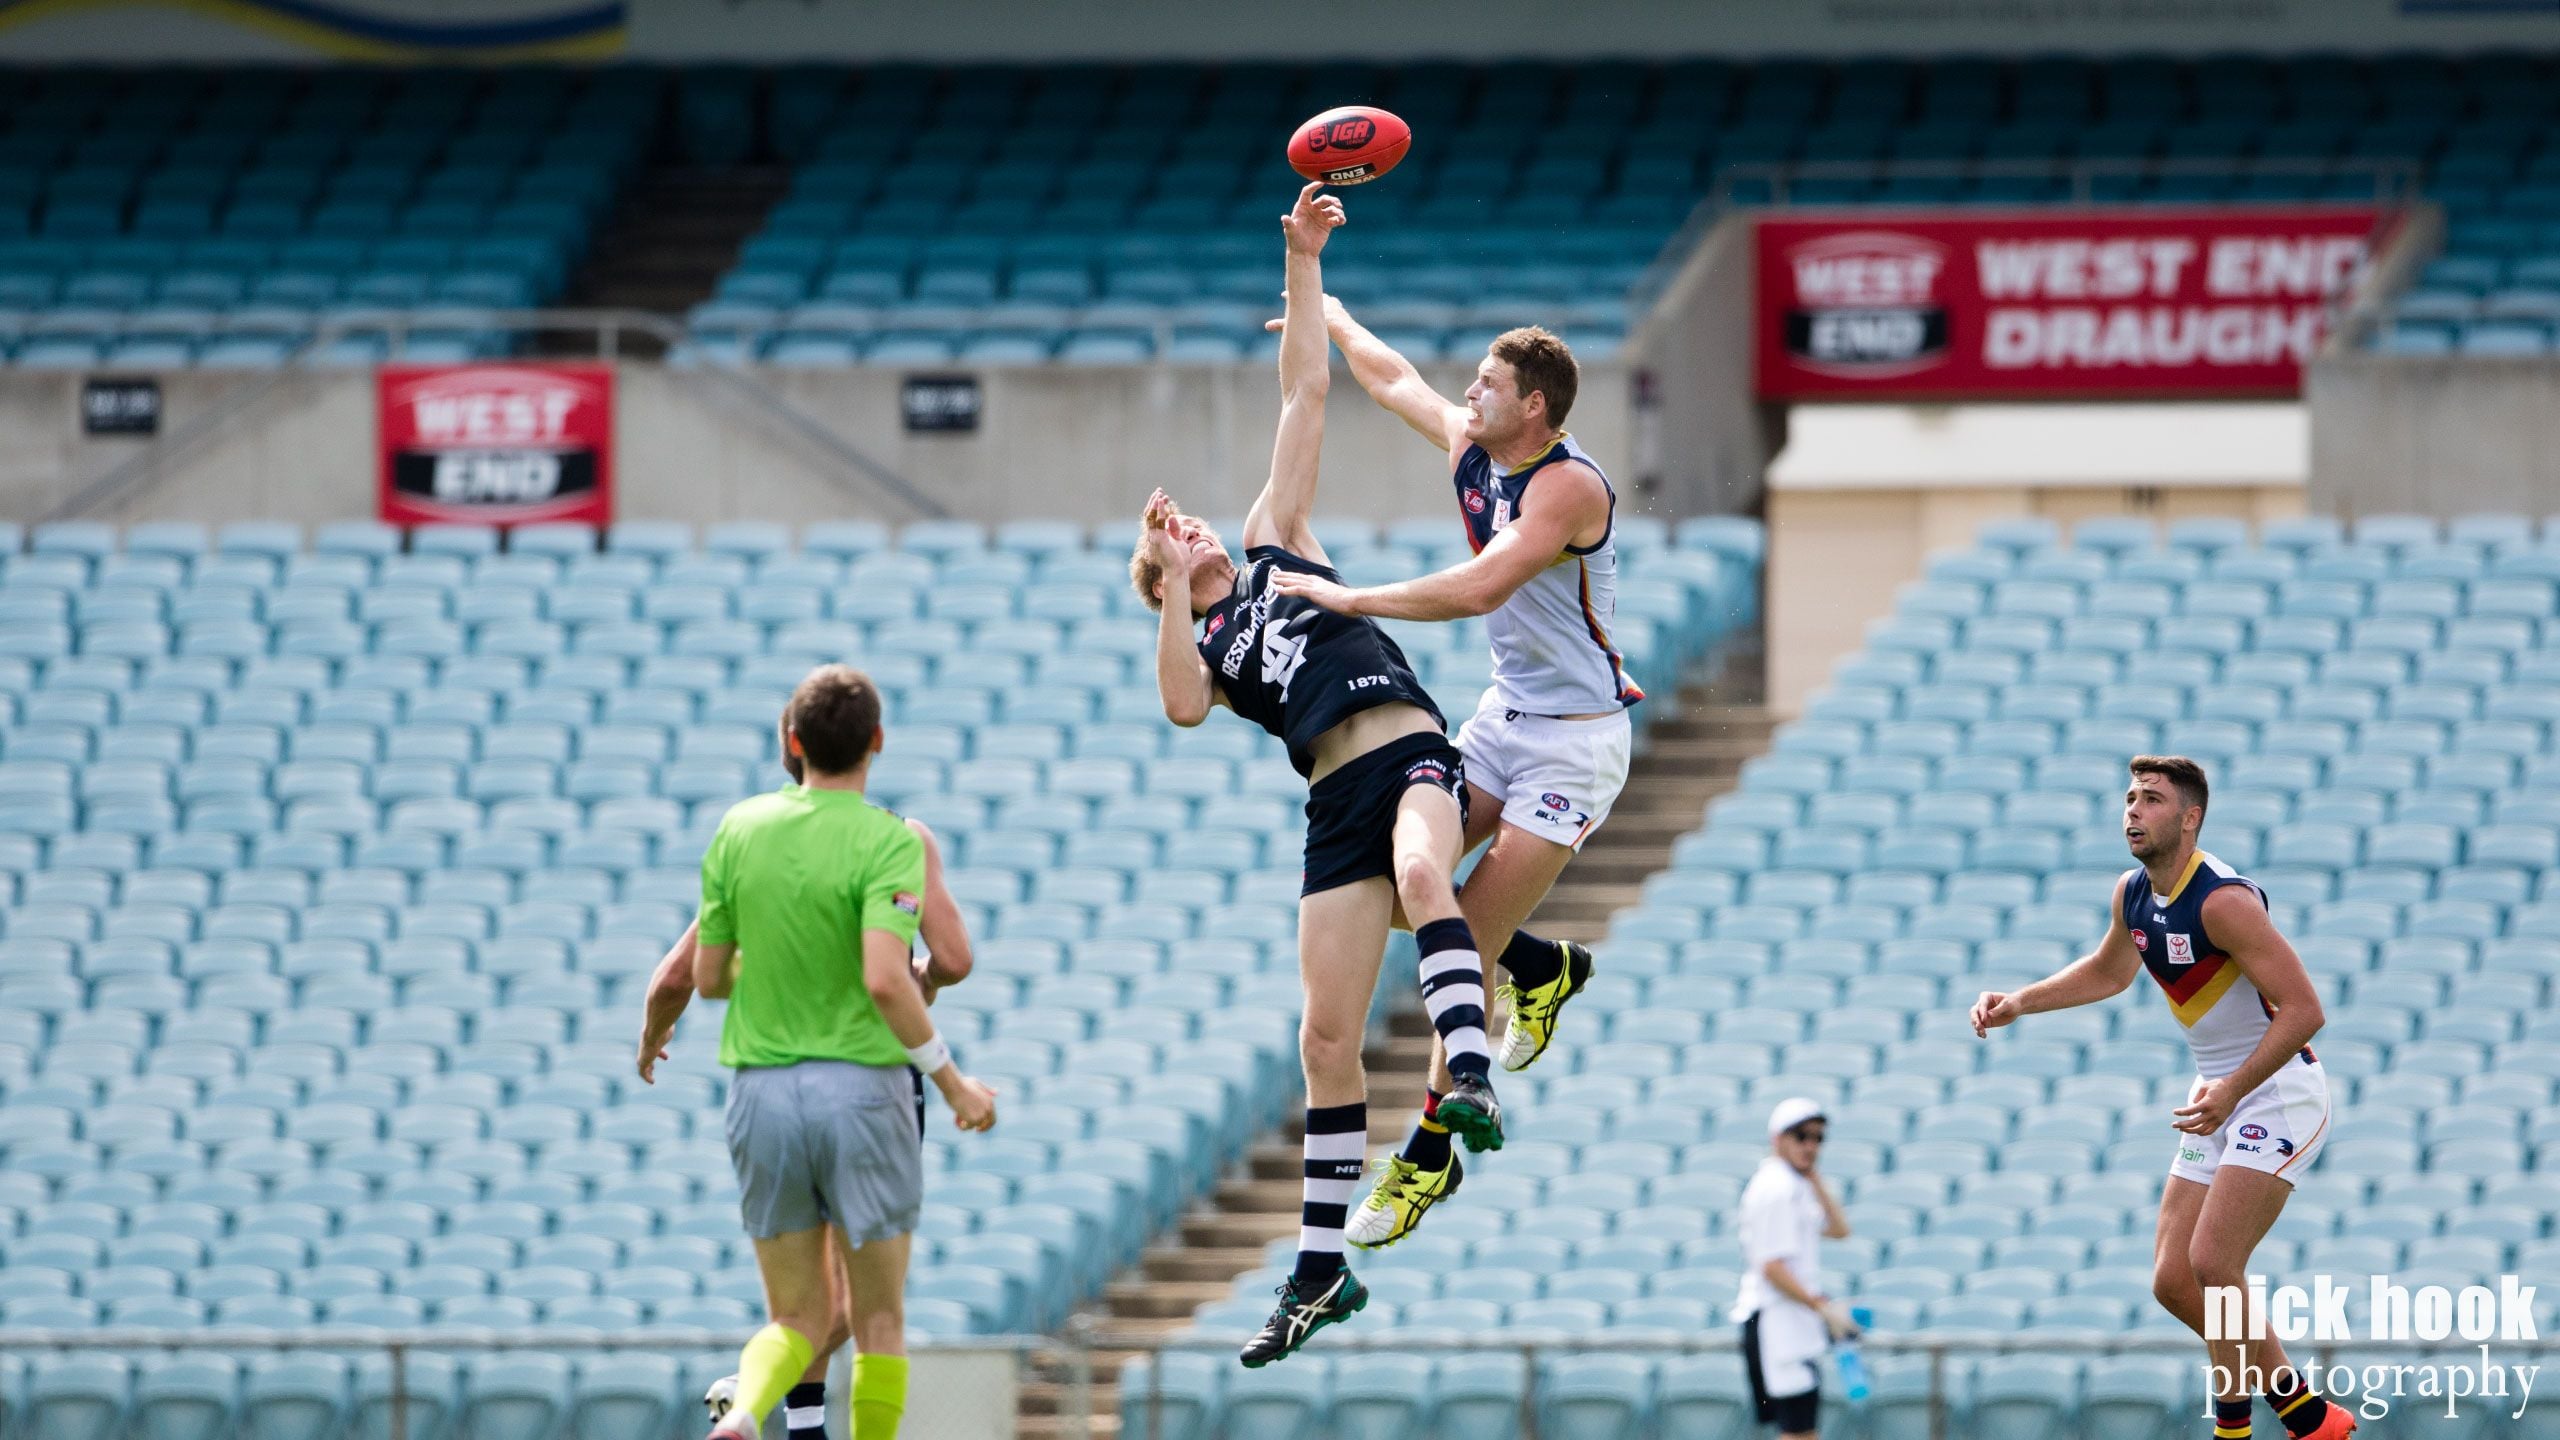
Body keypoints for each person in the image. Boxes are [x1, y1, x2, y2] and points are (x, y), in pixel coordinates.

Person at [1134, 180, 1499, 1367]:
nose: (1189, 525)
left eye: (1187, 521)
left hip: (1404, 748)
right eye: (1172, 535)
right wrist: (1158, 587)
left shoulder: (1274, 544)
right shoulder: (1206, 639)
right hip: (1328, 798)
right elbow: (1183, 708)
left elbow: (1304, 390)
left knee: (1423, 869)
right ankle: (1316, 1269)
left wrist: (1300, 263)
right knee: (1323, 1041)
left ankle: (1472, 1074)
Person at [1261, 302, 1632, 1246]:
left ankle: (1426, 1159)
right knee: (1400, 891)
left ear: (1536, 406)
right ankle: (1541, 969)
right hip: (1504, 717)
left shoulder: (1568, 488)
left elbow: (1479, 587)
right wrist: (1331, 314)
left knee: (1457, 934)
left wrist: (1352, 597)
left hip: (1574, 748)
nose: (1470, 395)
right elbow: (1393, 383)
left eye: (1489, 385)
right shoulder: (1478, 444)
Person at [1971, 756, 2353, 1440]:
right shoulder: (2132, 894)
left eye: (2150, 799)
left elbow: (2305, 1010)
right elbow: (2109, 971)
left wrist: (2233, 1089)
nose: (2132, 811)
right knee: (2174, 1280)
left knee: (2213, 1263)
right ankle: (2307, 1415)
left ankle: (2235, 1432)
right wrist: (2020, 1002)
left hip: (2276, 1090)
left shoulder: (2223, 902)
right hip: (2216, 1091)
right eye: (2129, 798)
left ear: (2190, 816)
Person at [638, 713, 977, 1440]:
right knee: (868, 1305)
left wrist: (651, 1036)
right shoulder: (895, 836)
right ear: (875, 742)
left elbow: (679, 974)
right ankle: (765, 1390)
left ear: (792, 748)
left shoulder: (751, 835)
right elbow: (951, 960)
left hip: (765, 1087)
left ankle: (780, 1412)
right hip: (870, 1084)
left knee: (806, 1301)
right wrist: (924, 988)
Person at [1732, 1098, 1857, 1440]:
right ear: (1778, 1139)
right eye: (1801, 1136)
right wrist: (1821, 1307)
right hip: (1777, 1323)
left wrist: (1814, 1178)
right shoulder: (1777, 1188)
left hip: (1790, 1323)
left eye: (1818, 1138)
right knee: (1798, 1432)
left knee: (1801, 1430)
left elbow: (1840, 1229)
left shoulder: (1794, 1185)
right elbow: (1771, 1266)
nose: (1811, 1145)